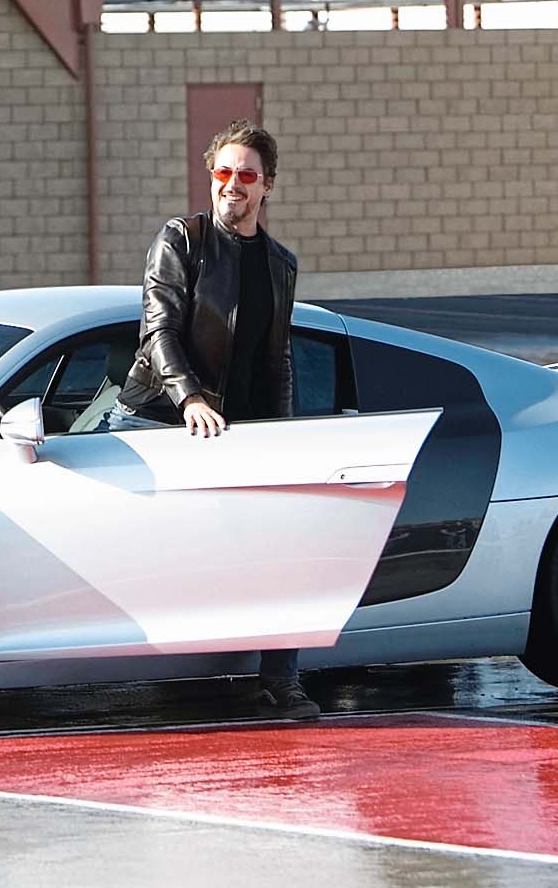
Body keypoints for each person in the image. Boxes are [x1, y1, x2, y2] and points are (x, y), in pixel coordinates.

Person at [97, 119, 319, 721]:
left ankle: (281, 680)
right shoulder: (182, 239)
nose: (232, 184)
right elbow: (158, 330)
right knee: (122, 541)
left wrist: (285, 433)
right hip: (154, 420)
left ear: (267, 186)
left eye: (246, 174)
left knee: (281, 542)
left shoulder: (280, 264)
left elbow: (278, 358)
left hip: (234, 434)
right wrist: (190, 397)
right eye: (223, 171)